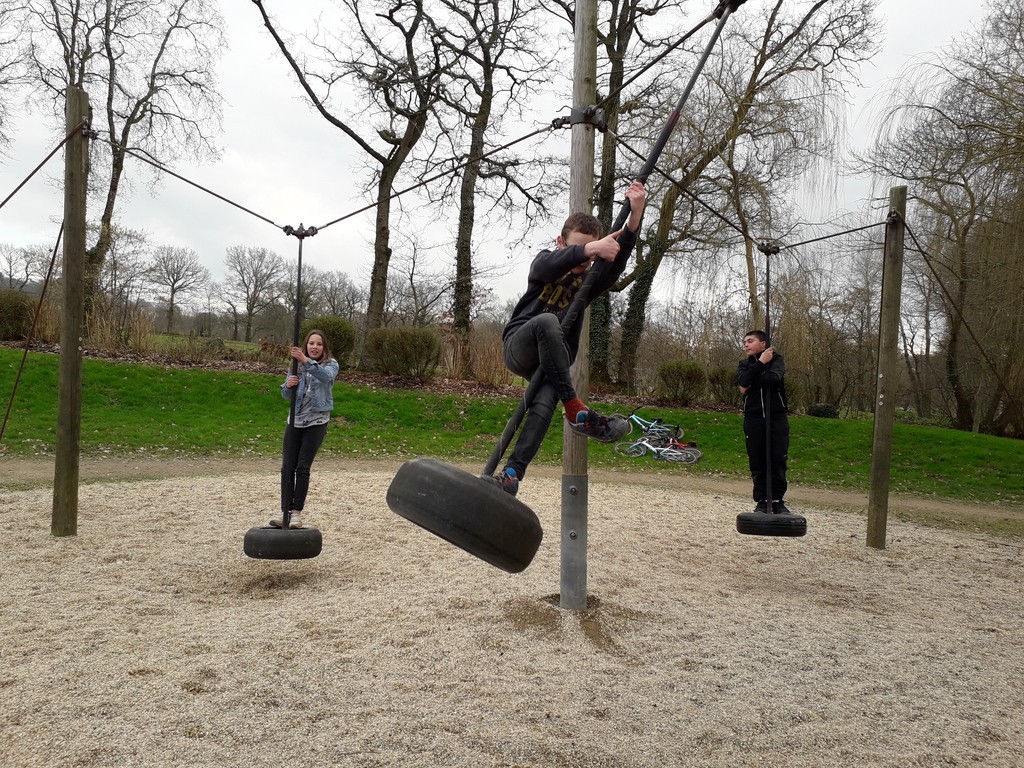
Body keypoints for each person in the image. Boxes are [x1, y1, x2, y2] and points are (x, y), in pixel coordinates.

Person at [484, 181, 647, 496]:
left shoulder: (590, 281)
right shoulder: (545, 263)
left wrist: (635, 216)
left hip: (552, 362)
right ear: (562, 242)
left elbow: (618, 261)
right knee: (547, 321)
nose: (583, 261)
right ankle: (576, 410)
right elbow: (548, 264)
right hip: (520, 345)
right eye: (579, 251)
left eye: (590, 255)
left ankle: (512, 476)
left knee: (545, 402)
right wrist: (590, 249)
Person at [270, 329, 339, 529]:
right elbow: (286, 395)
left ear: (324, 347)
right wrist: (288, 386)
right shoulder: (296, 365)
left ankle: (296, 513)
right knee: (287, 467)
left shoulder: (331, 364)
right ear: (306, 345)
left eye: (319, 344)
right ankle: (285, 510)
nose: (314, 347)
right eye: (311, 343)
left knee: (302, 467)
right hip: (295, 421)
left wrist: (305, 361)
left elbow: (324, 377)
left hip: (316, 422)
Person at [737, 329, 791, 514]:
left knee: (777, 459)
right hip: (753, 418)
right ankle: (761, 500)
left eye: (750, 341)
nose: (746, 344)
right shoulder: (744, 364)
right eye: (744, 342)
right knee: (757, 460)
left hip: (776, 417)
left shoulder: (777, 360)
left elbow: (773, 378)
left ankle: (777, 500)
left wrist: (749, 383)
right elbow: (743, 380)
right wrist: (760, 363)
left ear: (763, 343)